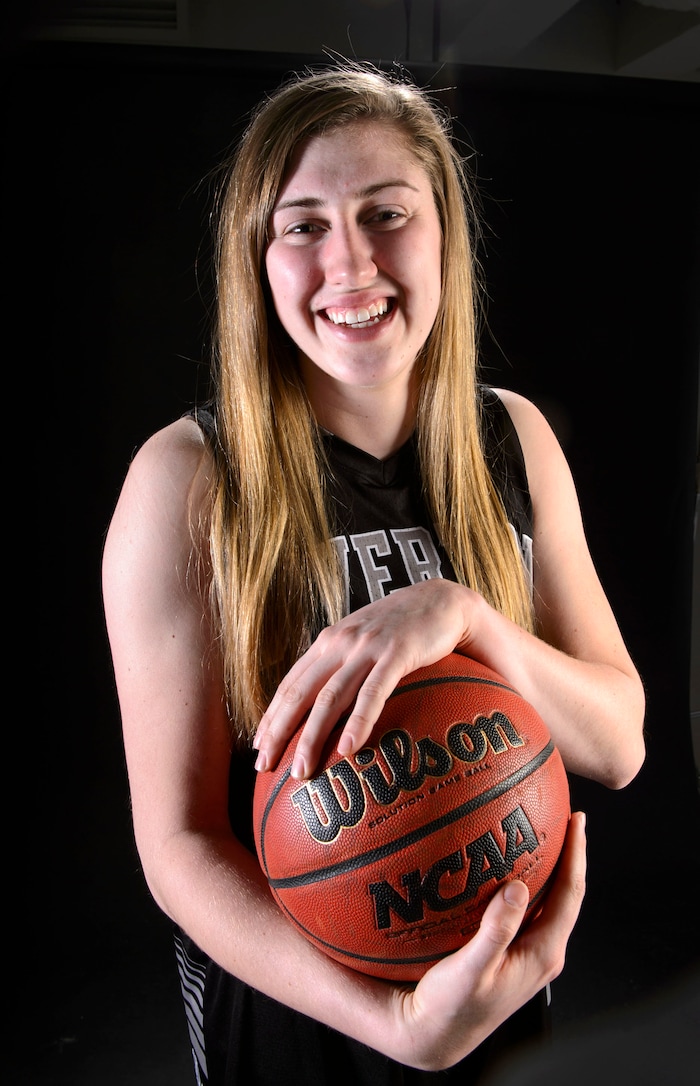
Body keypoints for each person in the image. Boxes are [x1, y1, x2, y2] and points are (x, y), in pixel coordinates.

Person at [101, 61, 645, 1085]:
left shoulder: (511, 439)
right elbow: (177, 844)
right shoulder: (188, 480)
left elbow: (618, 743)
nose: (350, 263)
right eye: (301, 226)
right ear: (255, 263)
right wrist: (392, 1026)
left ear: (444, 234)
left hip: (493, 996)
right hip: (294, 1014)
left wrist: (467, 616)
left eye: (385, 213)